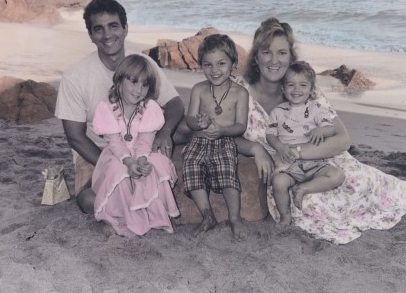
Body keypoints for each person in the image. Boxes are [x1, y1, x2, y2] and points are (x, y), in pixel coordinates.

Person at [234, 17, 406, 244]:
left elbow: (343, 139)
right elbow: (227, 137)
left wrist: (299, 151)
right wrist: (256, 148)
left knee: (361, 182)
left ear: (291, 57)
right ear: (255, 57)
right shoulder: (240, 92)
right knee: (311, 205)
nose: (274, 60)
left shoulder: (305, 89)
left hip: (322, 161)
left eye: (282, 53)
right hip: (286, 175)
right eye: (266, 52)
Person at [55, 0, 184, 214]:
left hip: (143, 142)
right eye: (99, 29)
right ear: (91, 35)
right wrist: (114, 164)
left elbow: (175, 103)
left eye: (113, 26)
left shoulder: (143, 64)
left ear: (125, 28)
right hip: (99, 150)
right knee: (88, 199)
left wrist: (165, 132)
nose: (107, 35)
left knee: (187, 127)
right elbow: (75, 136)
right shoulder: (75, 77)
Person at [91, 54, 180, 236]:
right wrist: (130, 163)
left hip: (140, 152)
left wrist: (141, 160)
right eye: (133, 82)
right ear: (119, 81)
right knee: (119, 171)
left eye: (145, 85)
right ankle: (124, 218)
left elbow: (145, 140)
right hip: (117, 155)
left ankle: (152, 216)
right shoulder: (107, 107)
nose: (139, 90)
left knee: (156, 164)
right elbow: (115, 143)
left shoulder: (150, 107)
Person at [182, 34, 249, 239]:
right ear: (201, 66)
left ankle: (235, 218)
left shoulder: (240, 93)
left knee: (227, 172)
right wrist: (199, 123)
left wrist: (221, 130)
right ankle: (207, 215)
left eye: (221, 63)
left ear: (233, 64)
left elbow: (240, 126)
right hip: (200, 140)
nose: (215, 70)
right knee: (191, 166)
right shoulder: (199, 89)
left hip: (225, 140)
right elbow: (190, 119)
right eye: (208, 65)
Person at [265, 60, 345, 226]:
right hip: (289, 163)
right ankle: (285, 215)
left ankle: (304, 188)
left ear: (311, 89)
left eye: (303, 85)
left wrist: (320, 131)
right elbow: (270, 135)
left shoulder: (316, 109)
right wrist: (279, 146)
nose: (296, 90)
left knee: (337, 175)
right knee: (278, 182)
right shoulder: (278, 112)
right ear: (283, 88)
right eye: (291, 85)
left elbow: (330, 129)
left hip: (314, 162)